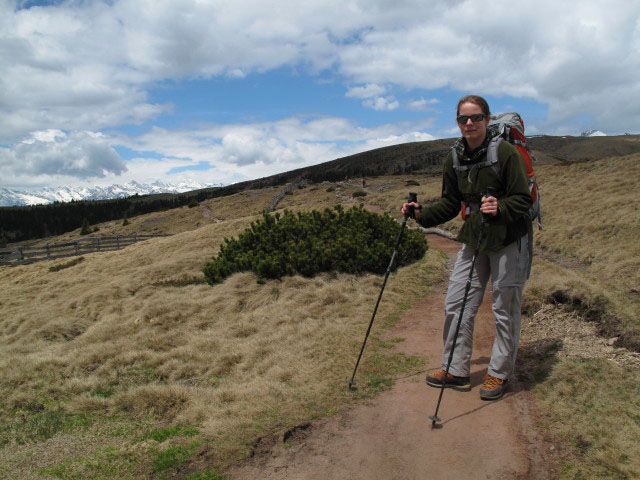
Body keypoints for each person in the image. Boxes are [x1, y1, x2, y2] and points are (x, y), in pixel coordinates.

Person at [402, 95, 532, 400]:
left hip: (509, 237)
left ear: (487, 119)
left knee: (504, 308)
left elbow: (522, 199)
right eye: (464, 119)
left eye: (476, 118)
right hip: (475, 236)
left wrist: (499, 206)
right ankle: (456, 369)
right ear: (458, 122)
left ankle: (498, 374)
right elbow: (450, 202)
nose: (470, 124)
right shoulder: (456, 157)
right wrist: (421, 214)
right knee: (457, 302)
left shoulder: (507, 153)